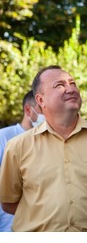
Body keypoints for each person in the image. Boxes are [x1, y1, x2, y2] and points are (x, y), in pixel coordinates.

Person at [0, 65, 87, 231]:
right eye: (59, 85)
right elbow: (9, 203)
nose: (70, 89)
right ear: (40, 100)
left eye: (72, 83)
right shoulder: (17, 147)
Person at [0, 90, 44, 232]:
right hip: (8, 223)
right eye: (41, 109)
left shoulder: (48, 141)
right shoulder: (4, 137)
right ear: (28, 110)